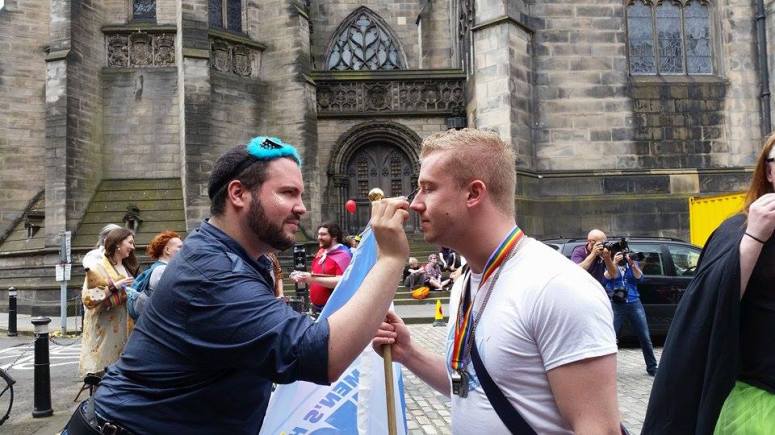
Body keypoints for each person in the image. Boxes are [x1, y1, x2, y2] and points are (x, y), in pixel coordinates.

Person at [63, 136, 410, 435]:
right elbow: (320, 354)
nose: (302, 208)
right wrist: (391, 259)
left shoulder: (238, 257)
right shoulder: (211, 272)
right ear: (239, 194)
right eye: (288, 193)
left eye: (301, 194)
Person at [372, 128, 620, 434]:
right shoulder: (465, 281)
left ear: (474, 193)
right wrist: (408, 353)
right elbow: (473, 388)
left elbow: (599, 429)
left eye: (428, 188)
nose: (415, 203)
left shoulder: (557, 286)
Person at [643, 138, 775, 434]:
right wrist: (754, 237)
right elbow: (713, 305)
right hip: (759, 397)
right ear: (768, 172)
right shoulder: (736, 230)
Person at [79, 227, 138, 377]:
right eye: (130, 243)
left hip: (125, 331)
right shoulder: (98, 266)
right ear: (118, 244)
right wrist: (114, 287)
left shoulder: (126, 265)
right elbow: (88, 298)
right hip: (105, 332)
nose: (133, 246)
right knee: (105, 378)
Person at [604, 250, 658, 376]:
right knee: (611, 337)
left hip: (634, 302)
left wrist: (633, 264)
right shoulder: (611, 264)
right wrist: (614, 263)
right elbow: (606, 278)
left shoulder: (632, 264)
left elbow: (640, 279)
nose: (622, 258)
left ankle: (652, 367)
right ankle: (606, 369)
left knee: (645, 336)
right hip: (617, 304)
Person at [290, 222, 353, 311]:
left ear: (334, 236)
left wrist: (311, 278)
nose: (319, 237)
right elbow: (315, 275)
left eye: (323, 234)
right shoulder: (321, 252)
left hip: (333, 309)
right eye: (318, 234)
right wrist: (302, 276)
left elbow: (343, 281)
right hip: (317, 307)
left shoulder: (343, 255)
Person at [126, 230, 183, 320]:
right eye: (180, 247)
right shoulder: (162, 270)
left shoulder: (159, 268)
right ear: (167, 250)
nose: (184, 250)